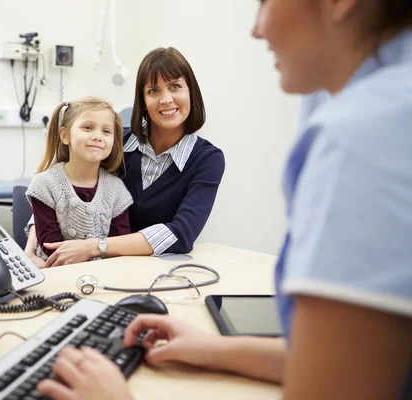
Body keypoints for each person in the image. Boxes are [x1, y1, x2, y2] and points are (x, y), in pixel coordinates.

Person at [37, 0, 412, 399]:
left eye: (266, 2)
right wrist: (213, 349)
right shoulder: (381, 111)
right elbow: (343, 364)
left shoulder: (366, 132)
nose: (257, 28)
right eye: (153, 90)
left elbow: (341, 379)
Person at [26, 47, 226, 268]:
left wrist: (96, 246)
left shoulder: (207, 159)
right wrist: (30, 250)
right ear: (142, 99)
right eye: (153, 90)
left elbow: (181, 234)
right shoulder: (114, 141)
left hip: (156, 270)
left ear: (191, 92)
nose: (166, 99)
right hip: (93, 270)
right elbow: (59, 190)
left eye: (175, 86)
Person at [26, 97, 133, 261]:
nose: (98, 136)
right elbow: (51, 247)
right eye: (88, 127)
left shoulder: (117, 189)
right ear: (65, 135)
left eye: (106, 131)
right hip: (55, 272)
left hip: (102, 276)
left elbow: (119, 245)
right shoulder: (44, 185)